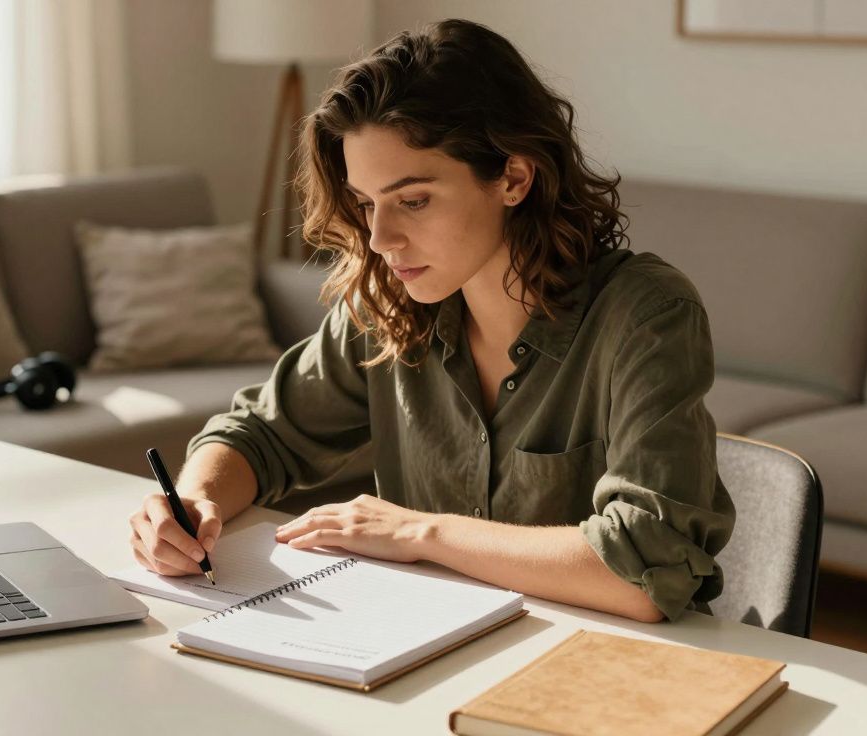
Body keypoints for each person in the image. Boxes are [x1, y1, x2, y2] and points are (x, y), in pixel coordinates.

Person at [127, 19, 734, 623]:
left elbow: (647, 574)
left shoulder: (646, 315)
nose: (380, 238)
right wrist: (194, 498)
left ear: (513, 179)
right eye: (367, 204)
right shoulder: (387, 303)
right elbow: (259, 434)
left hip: (613, 669)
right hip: (433, 644)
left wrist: (421, 534)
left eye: (412, 200)